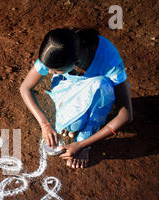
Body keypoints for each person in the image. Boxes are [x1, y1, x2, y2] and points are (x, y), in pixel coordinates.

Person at [20, 28, 133, 168]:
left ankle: (87, 136)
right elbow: (25, 88)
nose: (49, 72)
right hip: (71, 84)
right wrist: (45, 125)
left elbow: (126, 115)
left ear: (76, 63)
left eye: (55, 70)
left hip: (98, 92)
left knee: (103, 85)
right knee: (72, 124)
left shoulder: (109, 60)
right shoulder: (60, 47)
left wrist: (81, 145)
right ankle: (75, 120)